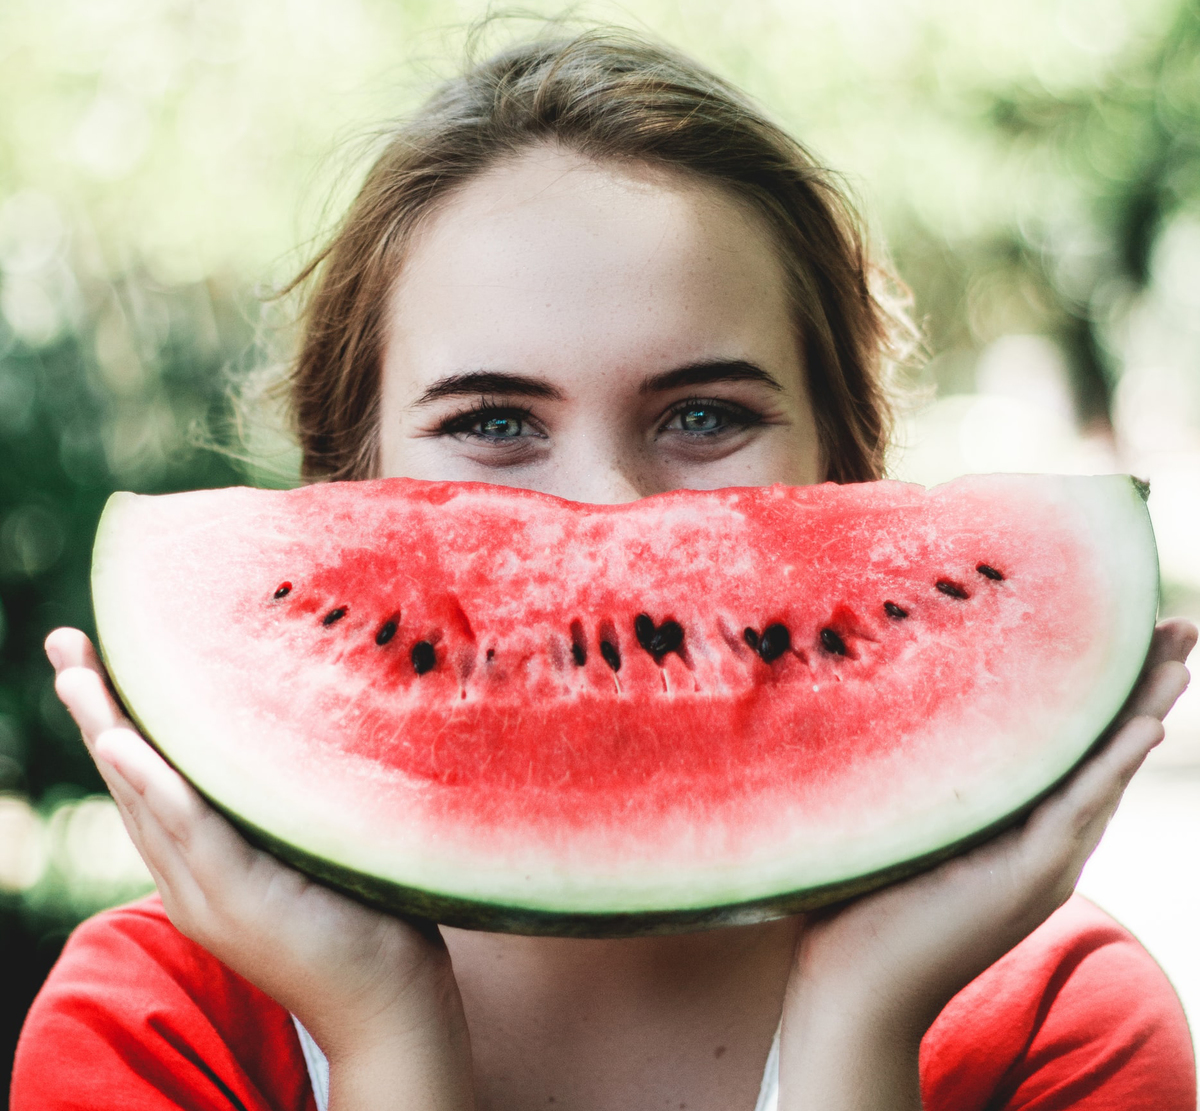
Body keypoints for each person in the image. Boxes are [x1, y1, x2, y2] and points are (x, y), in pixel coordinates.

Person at [12, 28, 1198, 1111]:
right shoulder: (158, 1028)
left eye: (701, 415)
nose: (604, 516)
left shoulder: (1055, 1021)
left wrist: (859, 1021)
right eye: (490, 423)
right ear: (344, 490)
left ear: (850, 469)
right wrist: (383, 1029)